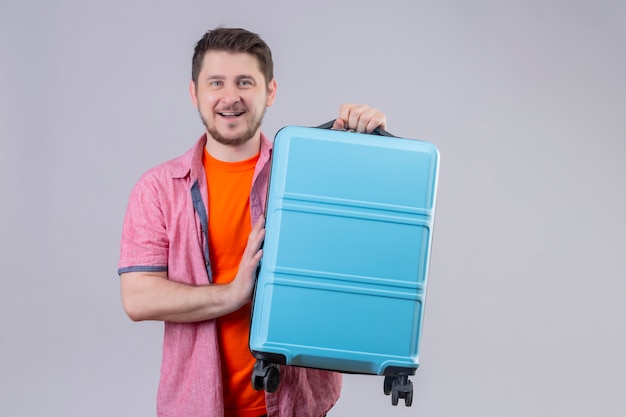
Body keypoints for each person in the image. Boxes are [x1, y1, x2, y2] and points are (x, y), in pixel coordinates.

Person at [118, 27, 388, 417]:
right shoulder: (158, 189)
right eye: (216, 83)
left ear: (270, 92)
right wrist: (232, 294)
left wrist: (369, 143)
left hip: (296, 404)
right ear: (195, 93)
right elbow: (137, 297)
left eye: (245, 82)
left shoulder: (309, 172)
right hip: (195, 405)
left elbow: (370, 232)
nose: (231, 97)